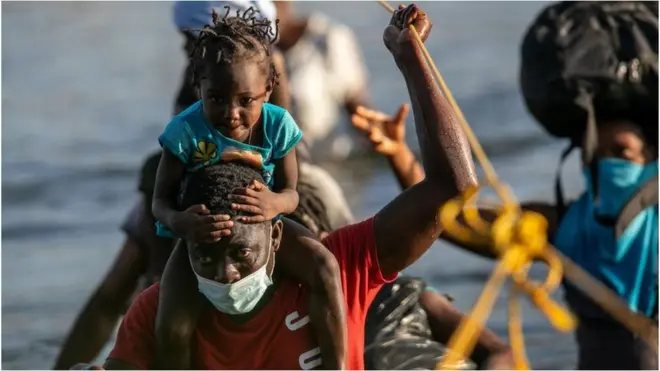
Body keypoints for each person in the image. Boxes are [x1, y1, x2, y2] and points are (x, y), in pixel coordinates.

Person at [82, 4, 503, 369]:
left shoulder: (343, 267)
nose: (226, 276)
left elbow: (452, 187)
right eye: (206, 255)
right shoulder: (156, 311)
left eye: (242, 253)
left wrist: (412, 57)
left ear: (274, 232)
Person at [351, 67, 658, 370]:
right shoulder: (557, 225)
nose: (608, 163)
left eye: (622, 152)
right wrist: (399, 154)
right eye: (596, 155)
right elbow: (454, 219)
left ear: (650, 158)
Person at [152, 7, 351, 369]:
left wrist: (273, 204)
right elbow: (160, 202)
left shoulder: (278, 125)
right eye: (216, 99)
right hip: (200, 234)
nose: (231, 113)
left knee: (324, 265)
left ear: (268, 90)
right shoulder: (184, 131)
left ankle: (339, 364)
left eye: (245, 101)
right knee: (171, 321)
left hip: (259, 223)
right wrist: (182, 223)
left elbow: (292, 192)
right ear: (198, 86)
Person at [273, 1, 372, 160]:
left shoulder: (328, 38)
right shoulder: (247, 47)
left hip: (329, 164)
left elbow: (357, 107)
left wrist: (393, 148)